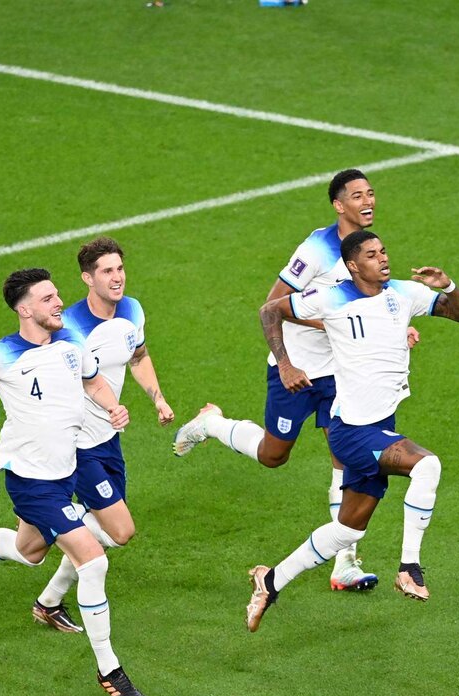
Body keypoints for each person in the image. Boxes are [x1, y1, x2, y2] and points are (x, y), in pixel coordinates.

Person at [173, 169, 417, 591]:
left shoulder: (365, 253)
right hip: (297, 370)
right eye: (357, 196)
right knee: (273, 455)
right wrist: (291, 359)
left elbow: (374, 305)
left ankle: (345, 562)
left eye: (371, 193)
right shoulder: (317, 249)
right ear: (339, 205)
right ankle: (212, 423)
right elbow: (272, 304)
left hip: (342, 374)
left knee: (347, 460)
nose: (368, 201)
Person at [0, 268, 145, 696]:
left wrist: (114, 406)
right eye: (47, 299)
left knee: (29, 551)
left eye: (57, 295)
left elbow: (94, 380)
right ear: (25, 310)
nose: (59, 303)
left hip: (67, 469)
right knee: (93, 561)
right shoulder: (2, 355)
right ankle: (109, 669)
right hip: (31, 480)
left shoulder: (70, 343)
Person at [244, 230, 459, 632]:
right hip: (353, 432)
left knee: (347, 529)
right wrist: (284, 364)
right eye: (371, 255)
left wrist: (448, 286)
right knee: (427, 466)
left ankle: (271, 580)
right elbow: (270, 310)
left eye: (384, 251)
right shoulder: (332, 297)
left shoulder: (402, 293)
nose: (382, 259)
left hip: (378, 426)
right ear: (353, 265)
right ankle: (409, 568)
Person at [32, 237, 175, 634]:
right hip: (76, 444)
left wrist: (157, 400)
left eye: (119, 269)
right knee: (120, 530)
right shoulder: (69, 328)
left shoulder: (132, 310)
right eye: (107, 271)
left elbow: (139, 357)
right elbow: (62, 386)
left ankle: (47, 601)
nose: (117, 278)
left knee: (101, 531)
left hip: (107, 439)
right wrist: (108, 406)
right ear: (87, 279)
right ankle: (48, 518)